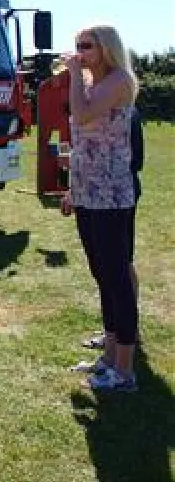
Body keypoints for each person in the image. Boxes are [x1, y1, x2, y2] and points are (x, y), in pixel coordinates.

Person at [60, 25, 140, 392]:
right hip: (88, 191)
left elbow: (81, 116)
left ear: (106, 48)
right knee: (102, 274)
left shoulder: (119, 81)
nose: (79, 52)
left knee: (117, 279)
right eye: (77, 46)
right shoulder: (92, 83)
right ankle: (108, 356)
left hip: (111, 193)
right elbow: (82, 139)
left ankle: (124, 370)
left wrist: (75, 76)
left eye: (86, 46)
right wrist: (71, 189)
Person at [82, 105, 145, 351]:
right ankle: (117, 332)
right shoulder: (111, 108)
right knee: (117, 265)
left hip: (119, 196)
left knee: (121, 265)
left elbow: (134, 160)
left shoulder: (124, 112)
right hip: (109, 195)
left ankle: (128, 332)